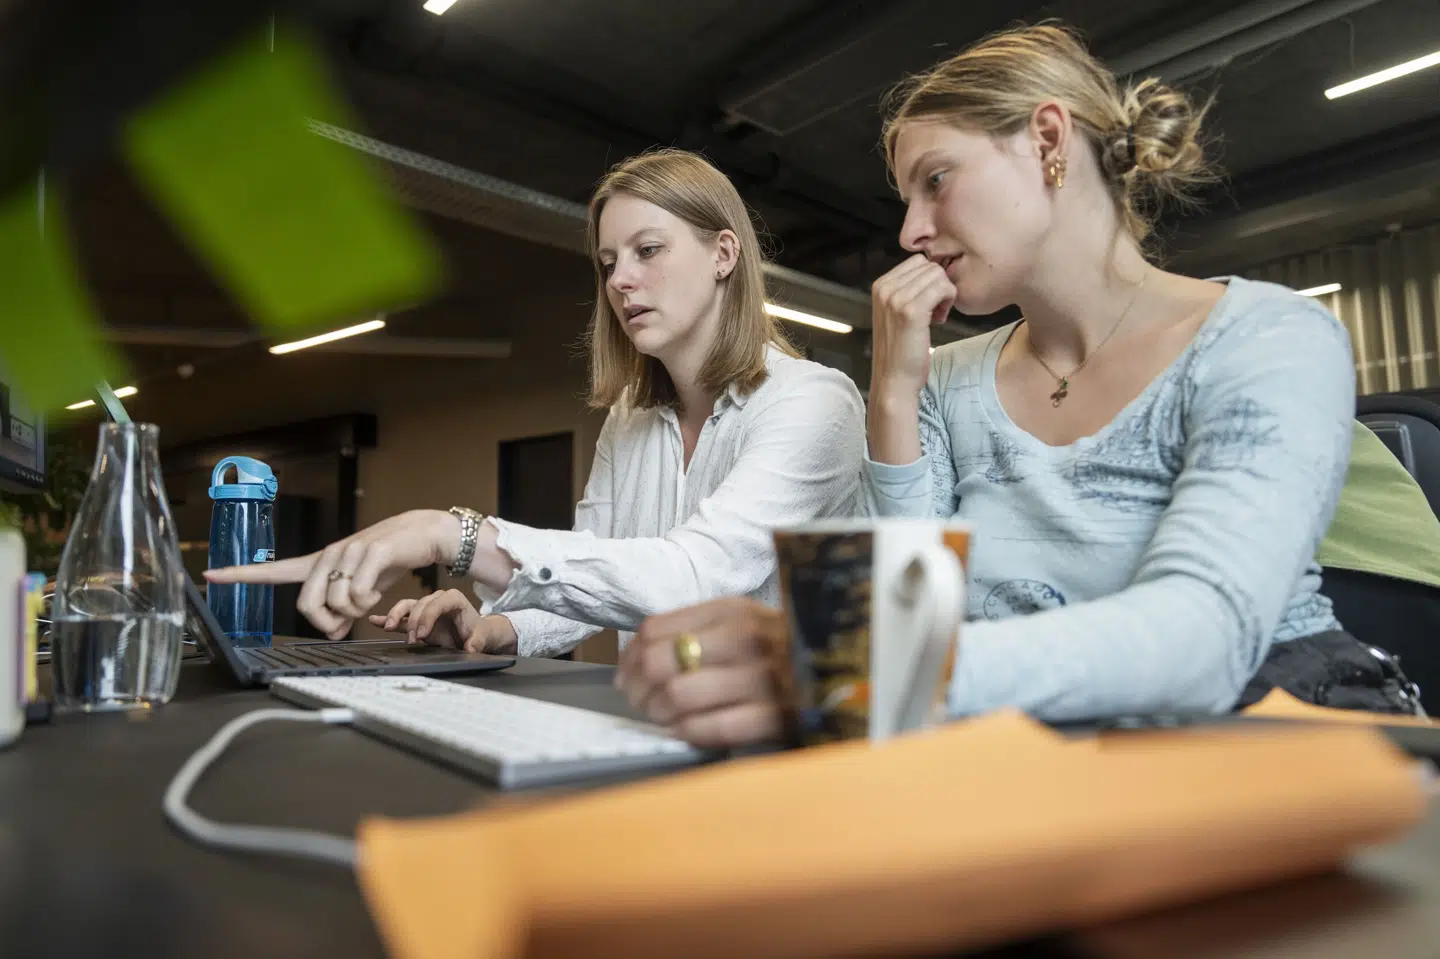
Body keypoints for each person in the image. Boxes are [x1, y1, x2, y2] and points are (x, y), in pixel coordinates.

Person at [617, 23, 1424, 749]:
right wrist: (894, 394)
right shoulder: (947, 378)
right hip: (1038, 749)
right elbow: (902, 632)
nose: (909, 232)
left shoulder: (1272, 336)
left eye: (935, 180)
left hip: (1267, 732)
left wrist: (838, 671)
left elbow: (1202, 637)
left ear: (1047, 141)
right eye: (906, 199)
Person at [206, 149, 866, 657]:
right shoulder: (631, 418)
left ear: (724, 253)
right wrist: (493, 627)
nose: (621, 280)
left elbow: (693, 577)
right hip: (661, 731)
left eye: (648, 250)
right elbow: (597, 585)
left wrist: (452, 533)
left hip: (787, 754)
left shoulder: (812, 404)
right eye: (608, 263)